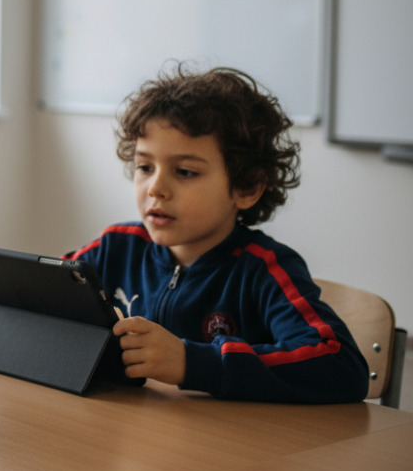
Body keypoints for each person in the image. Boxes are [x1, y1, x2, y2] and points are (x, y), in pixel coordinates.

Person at [66, 64, 369, 403]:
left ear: (247, 187)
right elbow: (36, 295)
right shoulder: (115, 246)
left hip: (235, 450)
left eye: (185, 171)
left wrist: (190, 362)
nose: (156, 188)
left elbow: (340, 365)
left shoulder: (265, 269)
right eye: (145, 167)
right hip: (133, 439)